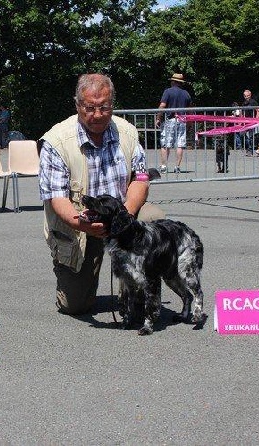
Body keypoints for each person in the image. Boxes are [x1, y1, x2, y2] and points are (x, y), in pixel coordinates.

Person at [38, 73, 164, 315]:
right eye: (89, 108)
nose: (97, 114)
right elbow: (56, 198)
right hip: (80, 222)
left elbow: (140, 179)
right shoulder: (56, 142)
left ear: (112, 105)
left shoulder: (127, 133)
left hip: (122, 213)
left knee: (153, 218)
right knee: (74, 305)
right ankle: (76, 282)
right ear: (77, 105)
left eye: (104, 107)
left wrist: (124, 215)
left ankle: (137, 289)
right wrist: (82, 224)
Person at [155, 73, 192, 173]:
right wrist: (189, 123)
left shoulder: (168, 91)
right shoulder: (186, 93)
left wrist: (158, 117)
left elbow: (162, 105)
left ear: (173, 82)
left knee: (165, 143)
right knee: (180, 144)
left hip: (170, 120)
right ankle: (177, 167)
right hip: (182, 120)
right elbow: (189, 111)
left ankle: (163, 166)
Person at [242, 89, 259, 156]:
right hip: (246, 122)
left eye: (247, 95)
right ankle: (249, 150)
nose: (246, 97)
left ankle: (258, 150)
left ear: (250, 95)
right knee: (246, 136)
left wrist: (255, 120)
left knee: (253, 137)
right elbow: (243, 112)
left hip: (253, 122)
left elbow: (258, 111)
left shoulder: (253, 102)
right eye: (244, 95)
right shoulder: (244, 103)